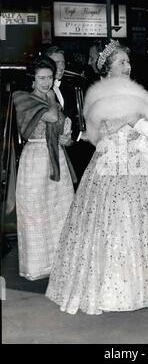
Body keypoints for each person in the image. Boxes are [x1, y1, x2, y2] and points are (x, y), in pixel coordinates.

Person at [45, 40, 148, 315]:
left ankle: (138, 287)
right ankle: (115, 291)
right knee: (116, 225)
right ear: (107, 68)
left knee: (136, 226)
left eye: (128, 62)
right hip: (114, 166)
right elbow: (137, 124)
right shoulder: (111, 94)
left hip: (130, 163)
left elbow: (138, 126)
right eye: (121, 62)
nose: (128, 66)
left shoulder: (119, 92)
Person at [12, 56, 76, 281]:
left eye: (49, 77)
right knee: (36, 213)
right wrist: (50, 97)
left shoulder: (52, 99)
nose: (47, 82)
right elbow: (50, 116)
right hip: (36, 159)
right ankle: (38, 266)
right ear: (32, 78)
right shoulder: (22, 98)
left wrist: (66, 139)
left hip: (56, 156)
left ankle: (60, 263)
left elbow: (63, 127)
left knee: (61, 210)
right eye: (41, 78)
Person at [45, 45, 94, 183]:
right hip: (46, 154)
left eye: (63, 63)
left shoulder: (67, 88)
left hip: (68, 152)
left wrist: (74, 137)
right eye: (56, 63)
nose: (61, 67)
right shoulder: (39, 91)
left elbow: (70, 119)